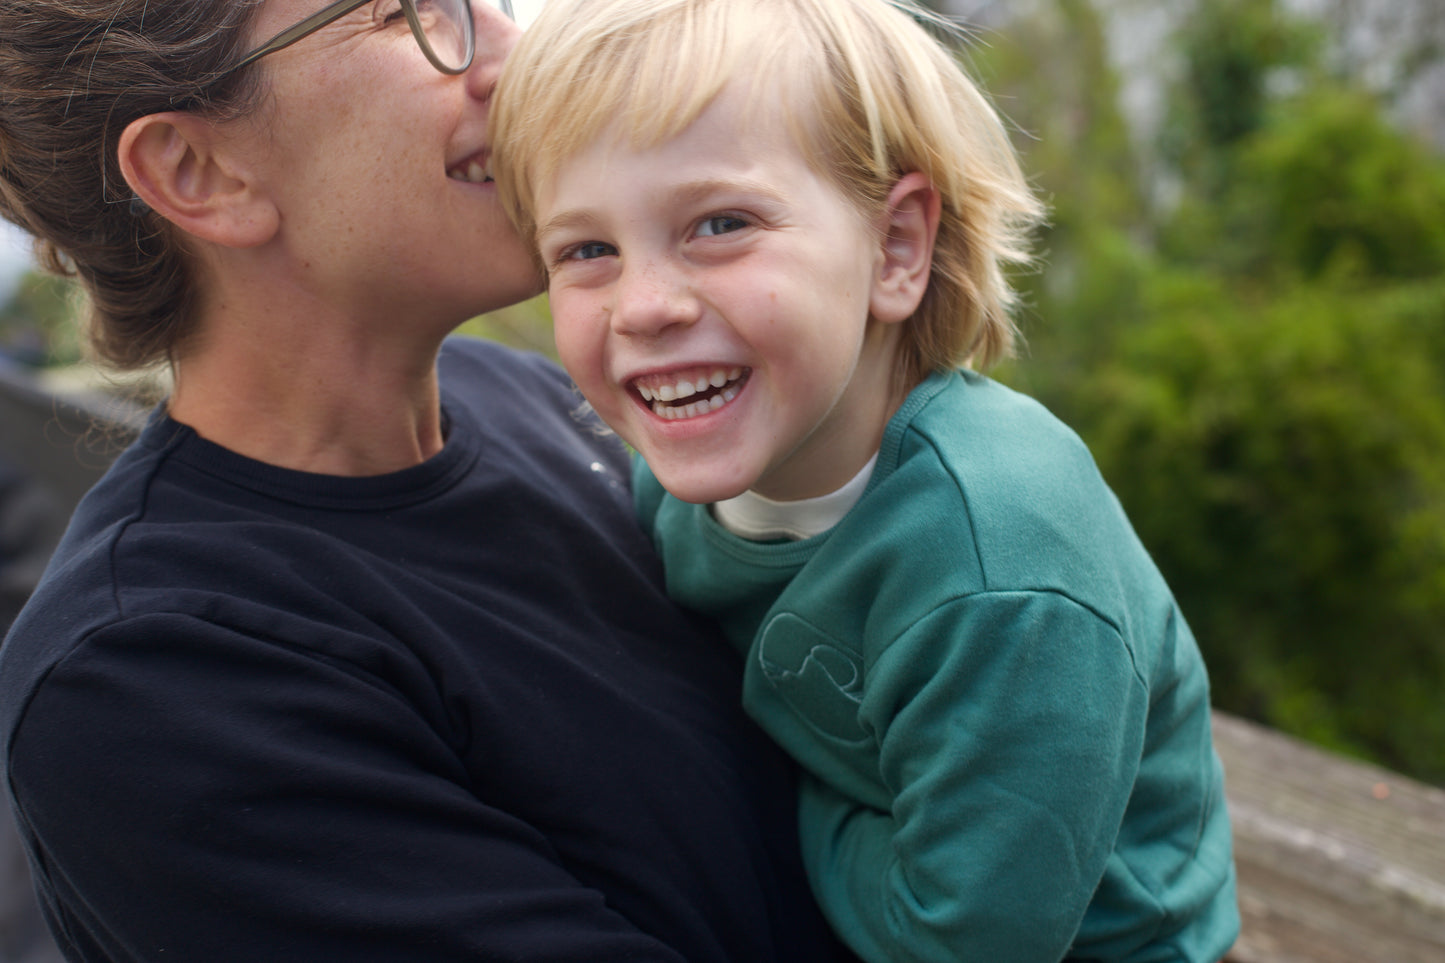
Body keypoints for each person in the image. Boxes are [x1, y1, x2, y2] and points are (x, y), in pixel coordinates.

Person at [0, 2, 855, 960]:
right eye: (407, 15)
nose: (518, 54)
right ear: (201, 173)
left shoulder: (531, 398)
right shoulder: (151, 683)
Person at [489, 0, 1241, 960]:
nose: (643, 305)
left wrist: (770, 803)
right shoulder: (680, 480)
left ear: (894, 249)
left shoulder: (1001, 570)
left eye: (720, 224)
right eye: (586, 250)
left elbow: (964, 940)